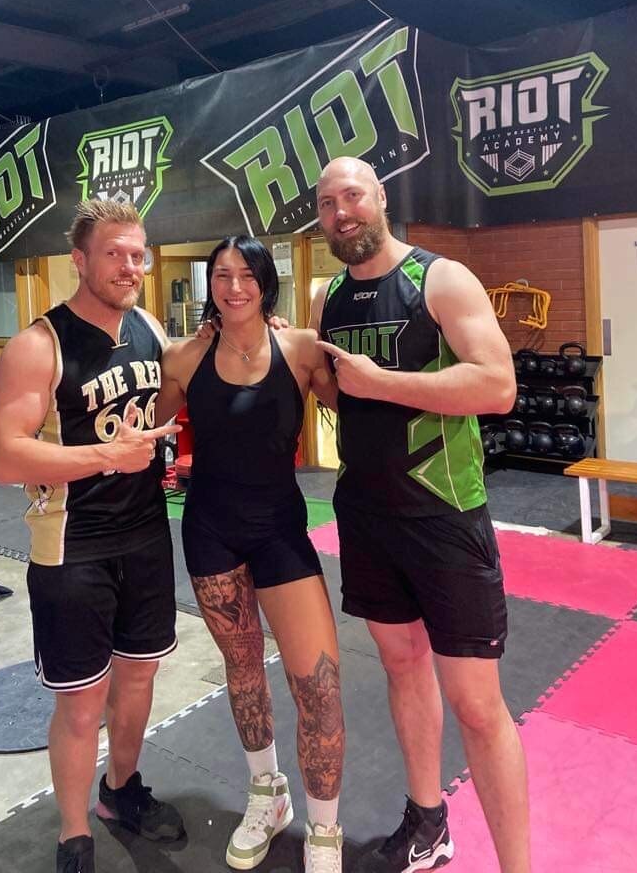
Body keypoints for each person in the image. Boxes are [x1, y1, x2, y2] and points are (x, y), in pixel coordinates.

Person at [311, 157, 529, 873]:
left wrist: (382, 381)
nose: (341, 212)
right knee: (403, 670)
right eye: (327, 203)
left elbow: (497, 386)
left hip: (442, 515)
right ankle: (428, 824)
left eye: (352, 196)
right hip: (368, 516)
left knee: (475, 703)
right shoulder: (330, 300)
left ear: (379, 198)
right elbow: (344, 396)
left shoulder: (439, 278)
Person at [0, 199, 184, 873]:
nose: (130, 266)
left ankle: (120, 791)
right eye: (114, 254)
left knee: (139, 683)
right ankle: (75, 832)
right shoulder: (38, 345)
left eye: (138, 253)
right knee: (81, 704)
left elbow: (168, 399)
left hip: (146, 539)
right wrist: (105, 457)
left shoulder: (150, 329)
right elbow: (4, 458)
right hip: (73, 548)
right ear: (80, 260)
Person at [156, 235, 345, 873]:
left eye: (246, 275)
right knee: (242, 669)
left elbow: (364, 414)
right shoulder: (182, 359)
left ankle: (326, 826)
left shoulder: (300, 349)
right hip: (210, 530)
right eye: (221, 275)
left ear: (266, 281)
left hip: (280, 534)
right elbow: (142, 430)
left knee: (317, 683)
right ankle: (268, 793)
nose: (233, 286)